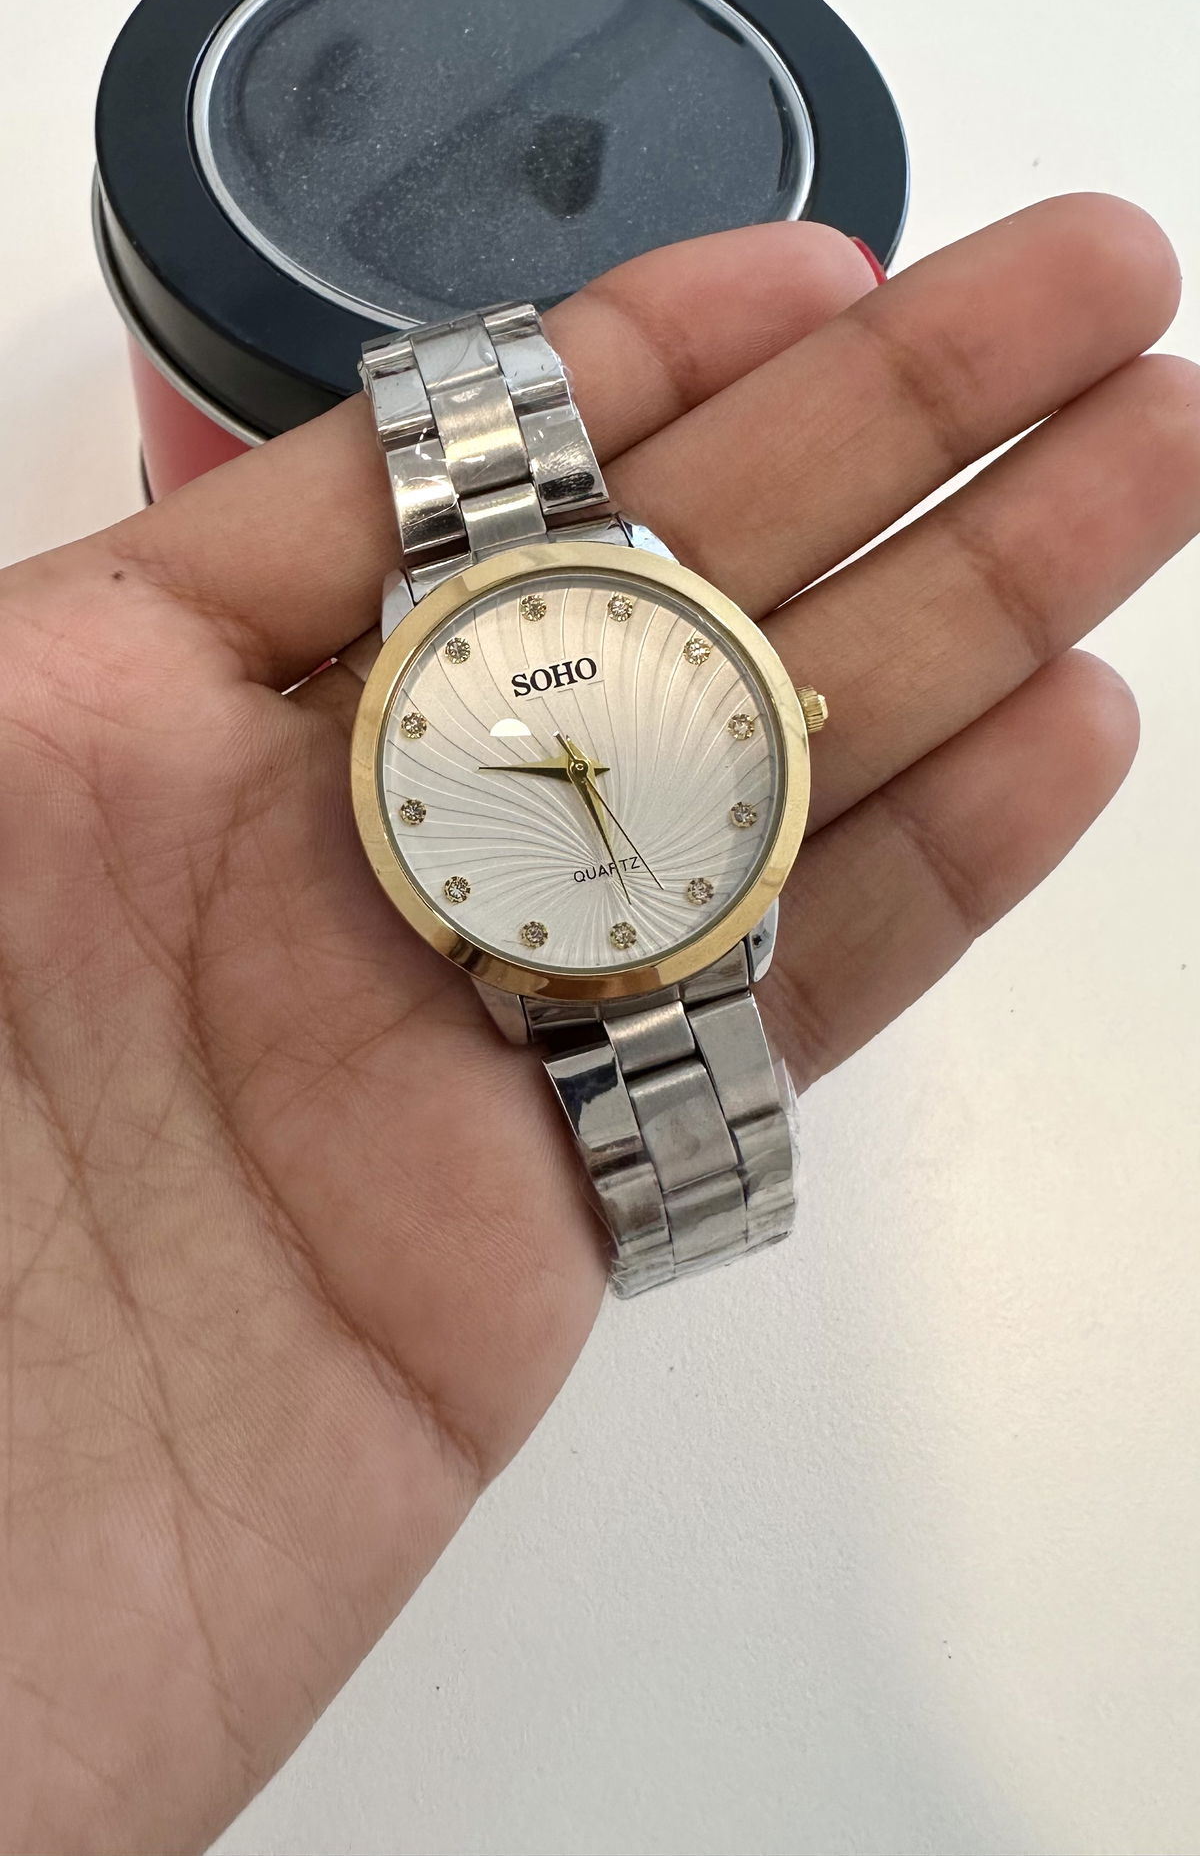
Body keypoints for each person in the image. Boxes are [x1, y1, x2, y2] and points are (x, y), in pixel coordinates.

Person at [0, 195, 1195, 1854]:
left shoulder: (700, 704)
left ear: (778, 713)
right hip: (541, 922)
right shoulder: (439, 829)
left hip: (663, 883)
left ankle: (704, 1188)